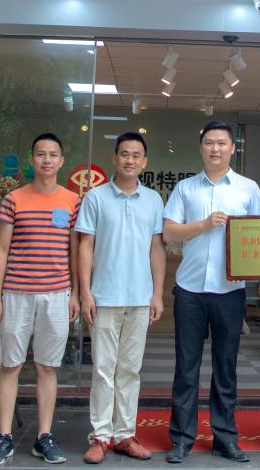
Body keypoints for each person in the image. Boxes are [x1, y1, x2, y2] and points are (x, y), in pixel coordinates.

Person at [162, 121, 260, 464]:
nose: (215, 148)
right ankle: (181, 439)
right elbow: (169, 233)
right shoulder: (185, 188)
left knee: (226, 367)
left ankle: (225, 438)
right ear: (201, 147)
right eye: (209, 142)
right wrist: (203, 225)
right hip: (190, 289)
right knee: (186, 368)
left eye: (222, 143)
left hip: (230, 290)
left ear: (233, 148)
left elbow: (259, 236)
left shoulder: (248, 188)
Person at [0, 133, 81, 466]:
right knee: (10, 365)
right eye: (41, 154)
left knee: (47, 367)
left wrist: (75, 293)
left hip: (56, 294)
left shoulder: (72, 201)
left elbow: (75, 251)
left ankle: (44, 437)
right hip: (16, 294)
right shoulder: (13, 199)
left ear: (61, 161)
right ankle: (4, 437)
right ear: (31, 159)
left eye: (53, 154)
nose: (47, 160)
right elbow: (1, 249)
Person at [75, 132, 165, 464]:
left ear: (145, 162)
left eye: (136, 155)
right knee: (103, 369)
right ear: (114, 158)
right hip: (104, 297)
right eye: (124, 154)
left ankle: (125, 435)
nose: (130, 160)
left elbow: (157, 249)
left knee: (130, 370)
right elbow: (85, 247)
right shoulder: (95, 197)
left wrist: (157, 293)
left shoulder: (153, 200)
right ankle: (100, 436)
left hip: (140, 298)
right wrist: (85, 292)